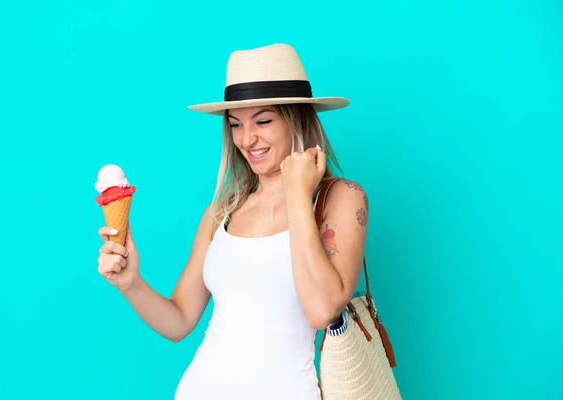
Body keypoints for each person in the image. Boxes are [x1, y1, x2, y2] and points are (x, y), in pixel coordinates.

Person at [96, 43, 369, 400]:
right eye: (236, 124)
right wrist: (130, 283)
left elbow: (321, 310)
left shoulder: (341, 199)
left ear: (297, 118)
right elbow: (179, 321)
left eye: (264, 120)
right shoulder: (222, 212)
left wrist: (299, 194)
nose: (247, 139)